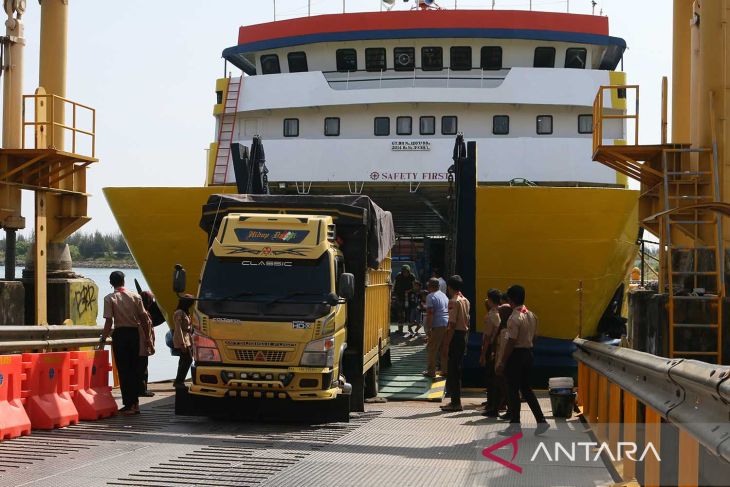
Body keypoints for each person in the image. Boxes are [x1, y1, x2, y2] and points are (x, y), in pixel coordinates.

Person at [496, 285, 549, 436]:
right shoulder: (532, 315)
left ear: (511, 300)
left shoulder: (514, 318)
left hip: (516, 355)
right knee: (526, 389)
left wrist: (502, 361)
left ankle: (515, 425)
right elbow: (535, 337)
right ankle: (541, 420)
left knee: (512, 390)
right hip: (528, 354)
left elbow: (511, 342)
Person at [100, 271, 152, 416]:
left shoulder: (109, 298)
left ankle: (129, 404)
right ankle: (134, 403)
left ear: (111, 283)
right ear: (124, 281)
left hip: (120, 335)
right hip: (135, 334)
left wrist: (103, 338)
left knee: (124, 370)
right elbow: (144, 318)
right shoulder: (135, 296)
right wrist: (147, 338)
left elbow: (109, 321)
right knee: (135, 369)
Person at [440, 275, 470, 412]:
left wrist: (446, 345)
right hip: (462, 336)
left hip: (455, 336)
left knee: (452, 370)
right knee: (456, 369)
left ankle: (455, 403)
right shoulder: (465, 300)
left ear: (449, 287)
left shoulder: (453, 301)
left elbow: (451, 325)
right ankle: (454, 401)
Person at [480, 288, 502, 416]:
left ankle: (491, 406)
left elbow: (487, 338)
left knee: (490, 378)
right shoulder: (501, 313)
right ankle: (494, 405)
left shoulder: (490, 316)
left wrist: (482, 355)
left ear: (490, 300)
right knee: (495, 378)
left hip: (491, 348)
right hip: (498, 348)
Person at [422, 277, 449, 378]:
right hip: (446, 323)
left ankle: (431, 371)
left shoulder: (430, 296)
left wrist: (428, 328)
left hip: (437, 324)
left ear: (429, 286)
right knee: (443, 348)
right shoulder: (444, 295)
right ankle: (444, 370)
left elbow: (430, 313)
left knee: (431, 348)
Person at [173, 294, 195, 388]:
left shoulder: (185, 312)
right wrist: (182, 343)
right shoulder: (179, 313)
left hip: (188, 338)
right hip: (182, 339)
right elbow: (178, 329)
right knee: (188, 359)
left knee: (183, 360)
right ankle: (179, 381)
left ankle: (178, 381)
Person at [138, 291, 157, 398]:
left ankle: (140, 388)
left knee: (141, 367)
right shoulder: (144, 313)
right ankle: (142, 390)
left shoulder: (137, 312)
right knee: (143, 368)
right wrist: (150, 345)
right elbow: (146, 331)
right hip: (143, 345)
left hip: (139, 344)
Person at [393, 265, 415, 334]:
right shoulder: (398, 277)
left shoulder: (412, 277)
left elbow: (414, 287)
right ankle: (400, 330)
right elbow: (395, 287)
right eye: (404, 272)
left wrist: (409, 291)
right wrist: (396, 297)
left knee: (409, 315)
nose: (405, 273)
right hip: (400, 298)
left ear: (409, 272)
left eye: (407, 272)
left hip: (409, 298)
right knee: (400, 315)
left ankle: (410, 329)